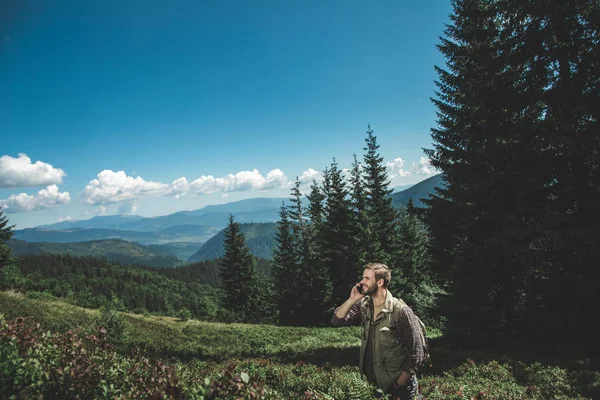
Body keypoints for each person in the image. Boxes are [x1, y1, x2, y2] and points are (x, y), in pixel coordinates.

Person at [331, 263, 427, 400]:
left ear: (380, 282)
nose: (361, 282)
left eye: (366, 278)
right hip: (374, 387)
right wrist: (352, 299)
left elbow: (417, 353)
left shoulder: (401, 311)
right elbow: (337, 320)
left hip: (400, 390)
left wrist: (399, 385)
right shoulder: (364, 306)